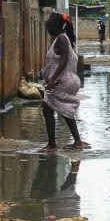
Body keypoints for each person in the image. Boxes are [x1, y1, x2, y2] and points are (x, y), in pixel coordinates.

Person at [41, 13, 88, 152]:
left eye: (51, 26)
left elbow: (64, 60)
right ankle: (75, 142)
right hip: (65, 79)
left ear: (59, 26)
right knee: (60, 109)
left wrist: (53, 79)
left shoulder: (61, 38)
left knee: (50, 107)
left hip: (62, 80)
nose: (49, 29)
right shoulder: (61, 39)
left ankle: (52, 145)